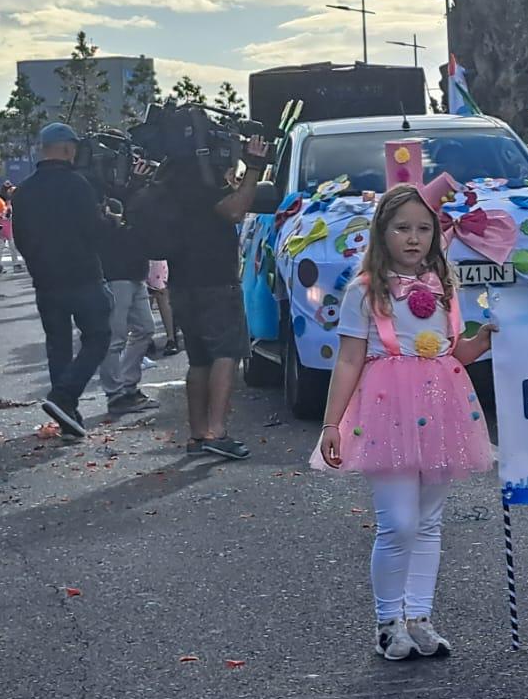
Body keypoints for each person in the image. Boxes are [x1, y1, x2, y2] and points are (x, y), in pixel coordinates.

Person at [314, 185, 496, 661]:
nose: (413, 239)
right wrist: (332, 423)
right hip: (386, 408)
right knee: (398, 522)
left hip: (441, 404)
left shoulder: (445, 285)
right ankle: (387, 621)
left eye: (422, 228)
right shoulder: (365, 290)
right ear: (382, 233)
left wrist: (483, 341)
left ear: (435, 234)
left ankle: (419, 616)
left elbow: (454, 348)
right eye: (402, 228)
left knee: (430, 521)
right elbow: (350, 359)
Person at [143, 130, 272, 461]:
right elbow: (234, 211)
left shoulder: (171, 177)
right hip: (215, 281)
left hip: (182, 282)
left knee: (198, 360)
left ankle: (199, 434)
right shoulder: (203, 180)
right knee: (225, 354)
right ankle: (218, 431)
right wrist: (254, 168)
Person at [10, 123, 113, 438]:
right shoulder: (78, 185)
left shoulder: (24, 190)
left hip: (46, 280)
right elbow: (93, 231)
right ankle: (65, 396)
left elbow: (21, 238)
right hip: (82, 274)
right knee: (98, 336)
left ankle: (67, 416)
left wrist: (37, 265)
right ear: (68, 149)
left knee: (58, 345)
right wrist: (109, 223)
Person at [98, 171, 157, 420]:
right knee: (115, 337)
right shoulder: (99, 190)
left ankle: (128, 385)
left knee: (145, 328)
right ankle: (115, 394)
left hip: (136, 271)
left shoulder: (136, 191)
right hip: (115, 273)